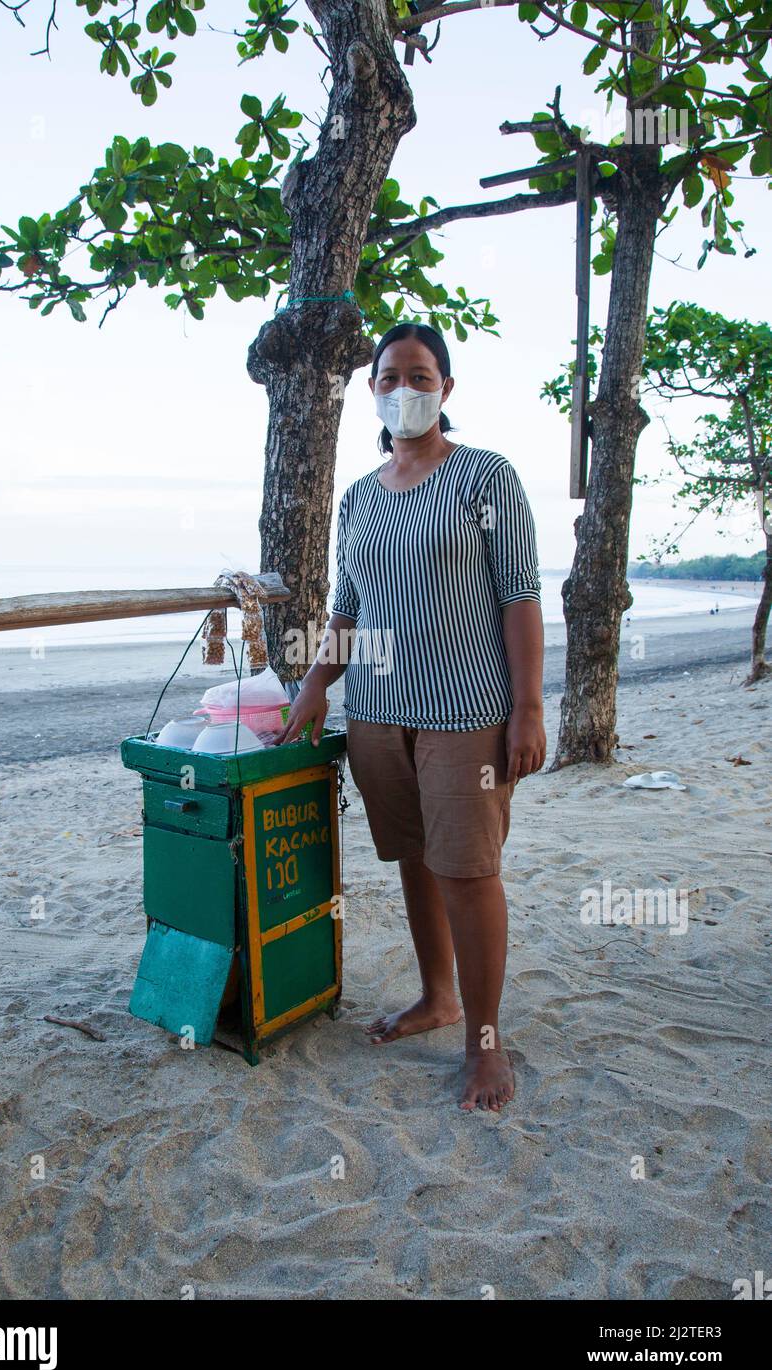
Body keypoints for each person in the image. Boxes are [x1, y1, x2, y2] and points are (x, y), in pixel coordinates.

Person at [279, 323, 546, 1112]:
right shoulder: (358, 498)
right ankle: (438, 997)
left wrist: (528, 708)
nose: (406, 388)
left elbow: (520, 596)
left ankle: (484, 1045)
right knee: (414, 860)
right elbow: (350, 607)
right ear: (372, 391)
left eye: (421, 375)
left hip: (467, 715)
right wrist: (315, 685)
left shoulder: (485, 478)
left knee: (468, 871)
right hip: (377, 715)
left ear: (446, 389)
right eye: (390, 375)